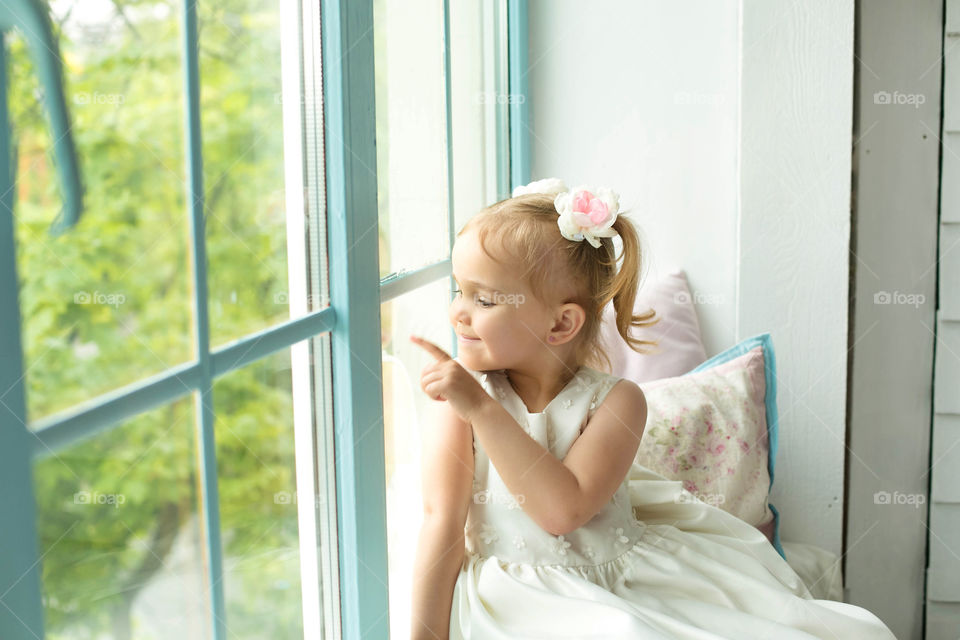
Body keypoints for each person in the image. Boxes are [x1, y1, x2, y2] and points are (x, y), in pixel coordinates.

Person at [408, 178, 897, 639]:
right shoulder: (460, 402)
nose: (457, 311)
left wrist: (482, 411)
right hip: (511, 598)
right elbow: (441, 523)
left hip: (612, 582)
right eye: (458, 290)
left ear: (561, 324)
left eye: (485, 299)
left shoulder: (616, 401)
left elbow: (562, 510)